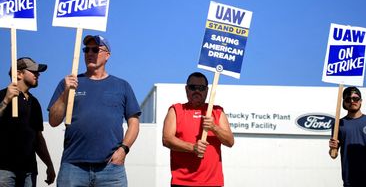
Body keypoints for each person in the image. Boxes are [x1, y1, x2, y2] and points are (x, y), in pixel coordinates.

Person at [48, 35, 141, 187]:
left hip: (111, 169)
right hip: (73, 166)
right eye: (86, 49)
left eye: (95, 49)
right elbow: (53, 121)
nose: (90, 53)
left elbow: (134, 123)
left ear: (107, 55)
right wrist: (66, 92)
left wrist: (123, 149)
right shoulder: (69, 83)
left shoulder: (122, 86)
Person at [162, 71, 234, 187]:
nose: (197, 91)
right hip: (182, 182)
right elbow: (167, 139)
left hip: (212, 182)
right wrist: (192, 147)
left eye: (201, 88)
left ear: (207, 90)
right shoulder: (176, 110)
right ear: (186, 89)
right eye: (192, 87)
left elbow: (230, 141)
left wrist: (214, 127)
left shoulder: (217, 111)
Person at [0, 57, 56, 186]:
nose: (38, 74)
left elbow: (38, 138)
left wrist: (49, 165)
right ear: (19, 74)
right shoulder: (2, 95)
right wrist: (6, 101)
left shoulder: (34, 102)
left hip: (28, 170)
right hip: (4, 169)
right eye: (34, 71)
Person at [329, 86, 366, 187]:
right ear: (344, 103)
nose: (352, 101)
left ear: (361, 101)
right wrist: (332, 148)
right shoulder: (338, 124)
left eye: (355, 98)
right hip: (350, 180)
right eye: (348, 99)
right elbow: (333, 155)